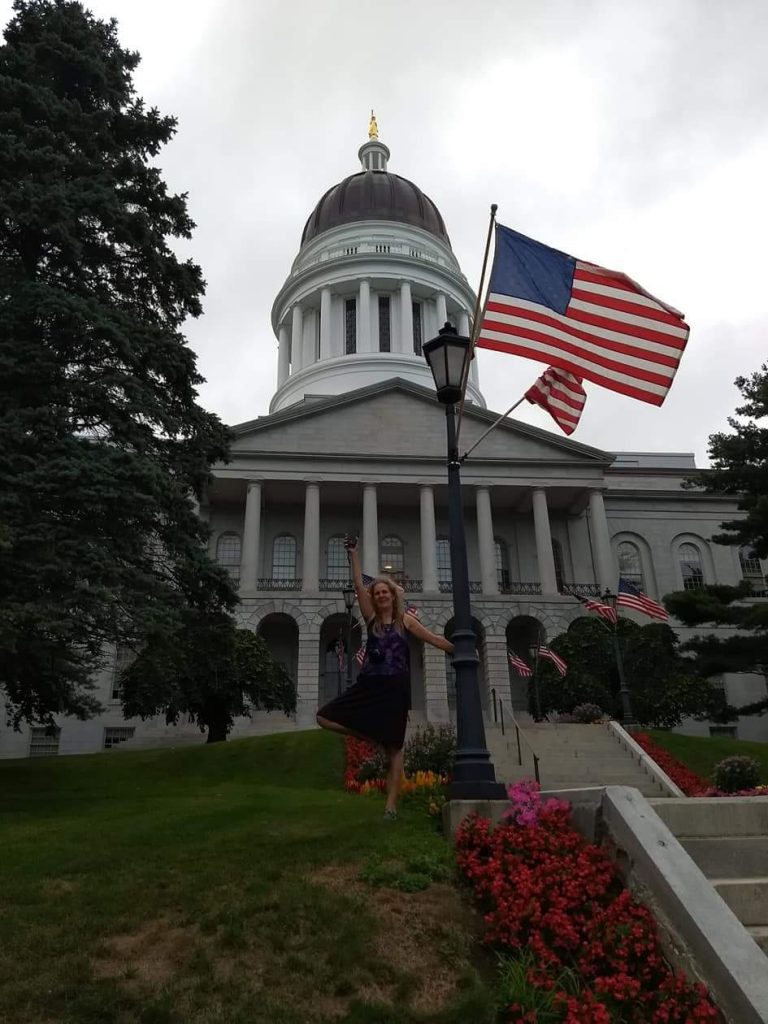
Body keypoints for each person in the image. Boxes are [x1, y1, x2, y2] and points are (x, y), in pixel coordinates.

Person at [316, 535, 454, 820]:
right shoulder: (371, 620)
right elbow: (357, 586)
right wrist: (353, 554)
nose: (380, 595)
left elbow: (433, 639)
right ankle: (371, 736)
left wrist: (460, 650)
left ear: (393, 596)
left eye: (384, 592)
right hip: (369, 683)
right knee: (324, 717)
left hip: (395, 687)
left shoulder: (406, 622)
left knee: (395, 747)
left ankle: (391, 806)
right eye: (376, 592)